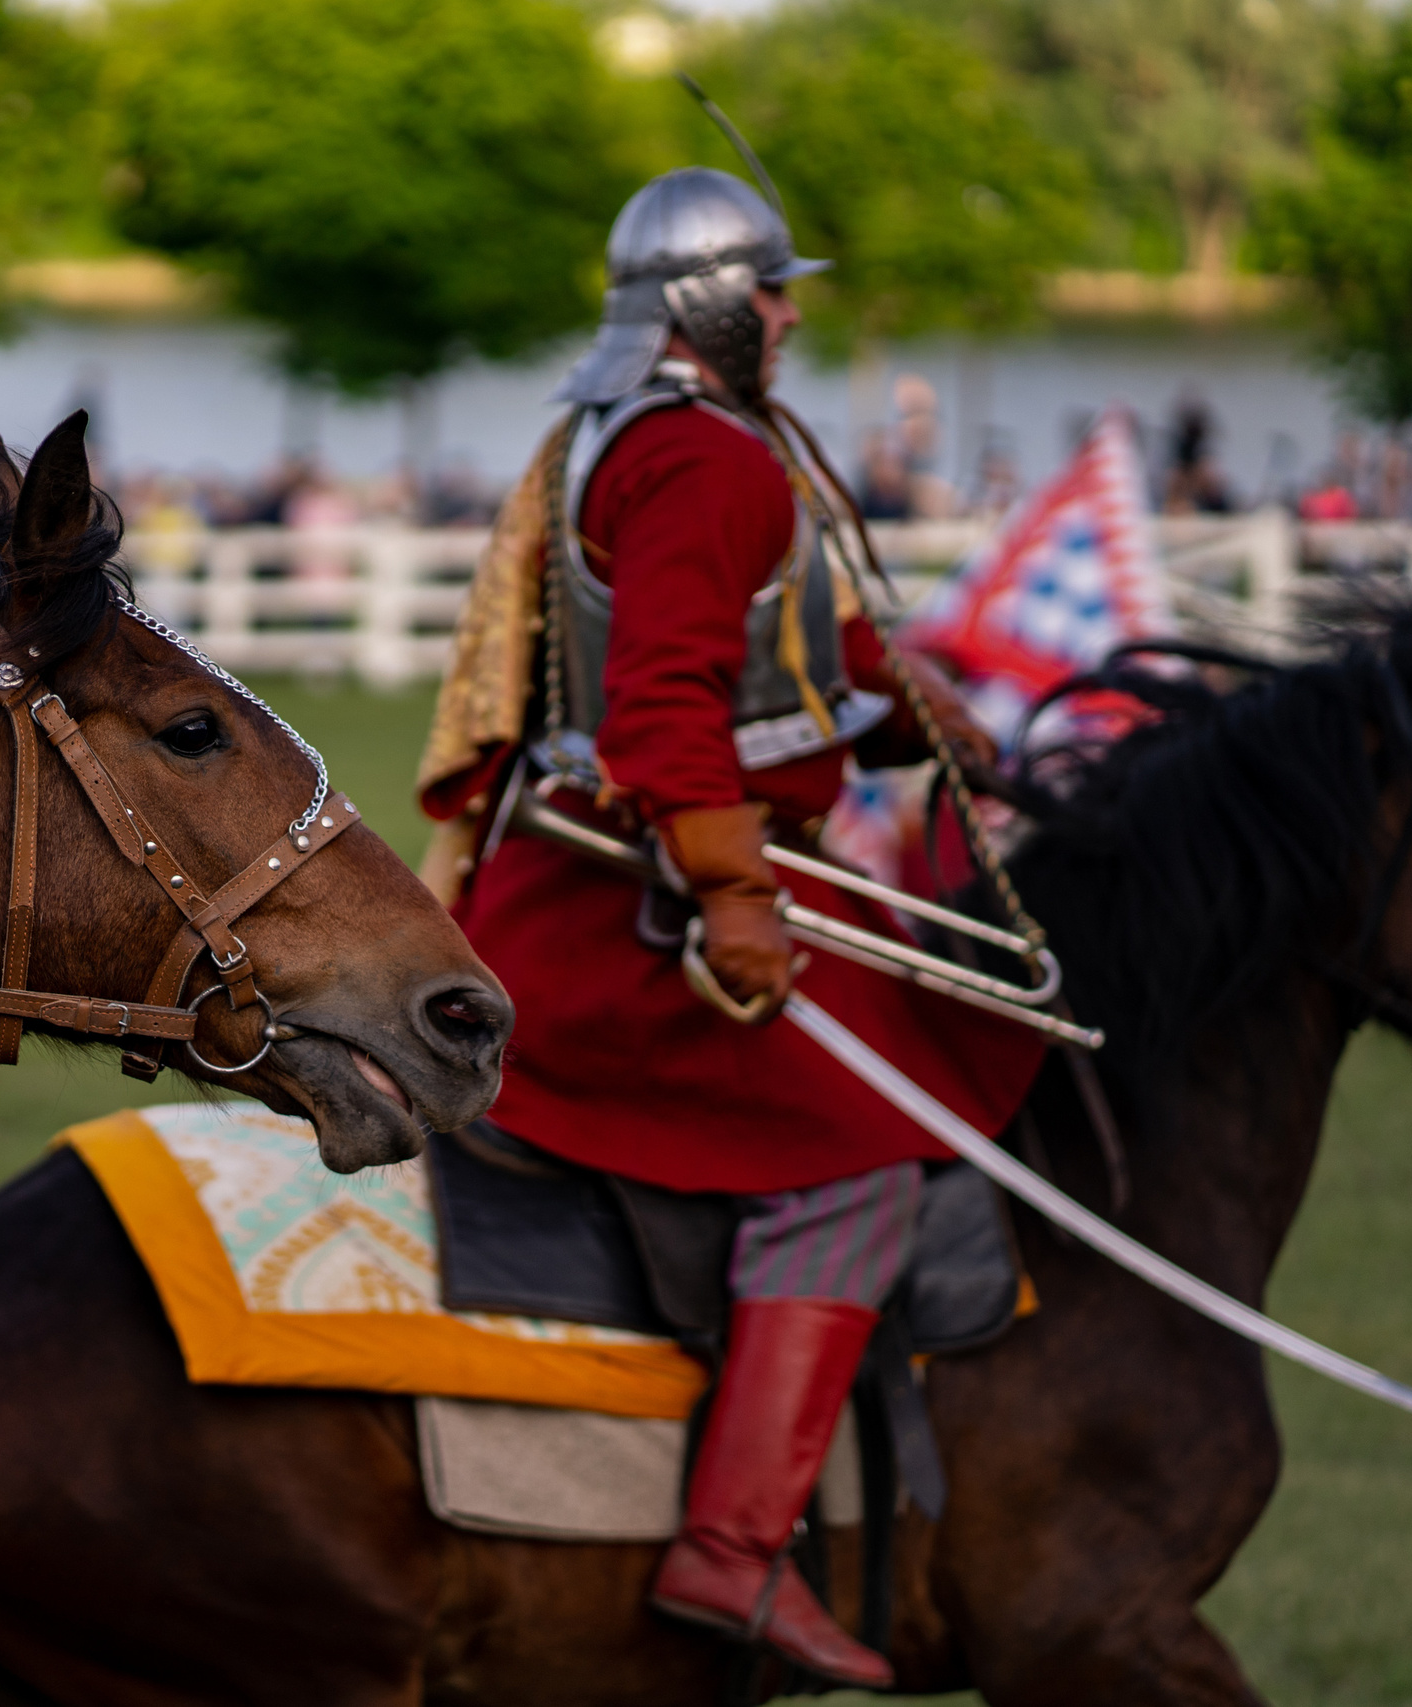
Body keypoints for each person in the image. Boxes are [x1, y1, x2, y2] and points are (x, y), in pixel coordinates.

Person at [417, 167, 1045, 1687]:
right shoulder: (710, 461)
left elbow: (762, 652)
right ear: (711, 308)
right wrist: (738, 894)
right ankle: (737, 1547)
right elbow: (664, 706)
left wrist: (903, 710)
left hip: (599, 881)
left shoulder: (626, 432)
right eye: (774, 291)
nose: (794, 312)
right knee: (868, 1147)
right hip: (627, 926)